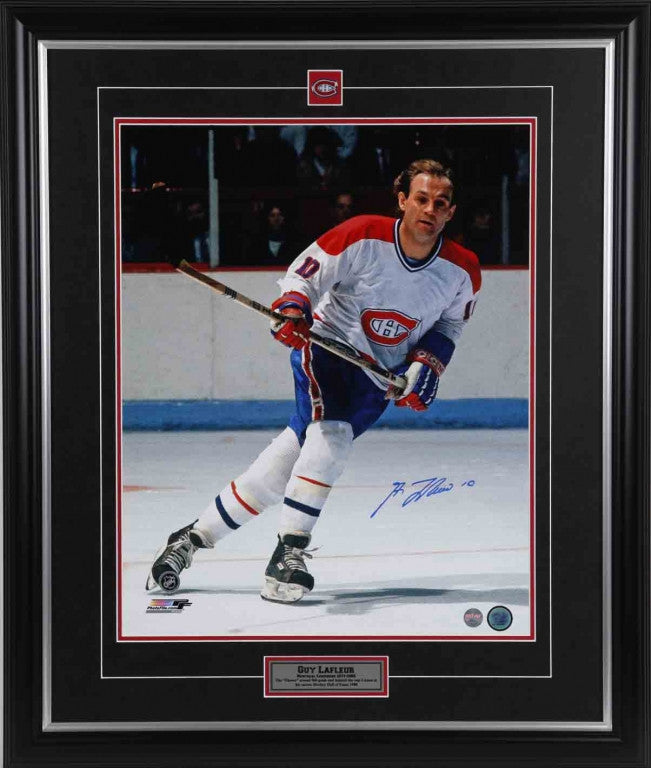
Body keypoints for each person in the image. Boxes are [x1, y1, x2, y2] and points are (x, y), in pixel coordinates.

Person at [146, 159, 481, 603]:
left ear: (451, 212)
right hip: (327, 349)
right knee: (332, 437)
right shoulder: (363, 235)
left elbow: (450, 326)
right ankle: (288, 552)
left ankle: (190, 538)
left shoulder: (462, 270)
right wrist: (293, 307)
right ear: (402, 201)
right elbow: (305, 273)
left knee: (284, 466)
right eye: (421, 199)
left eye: (440, 203)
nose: (430, 210)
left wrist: (428, 364)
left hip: (376, 379)